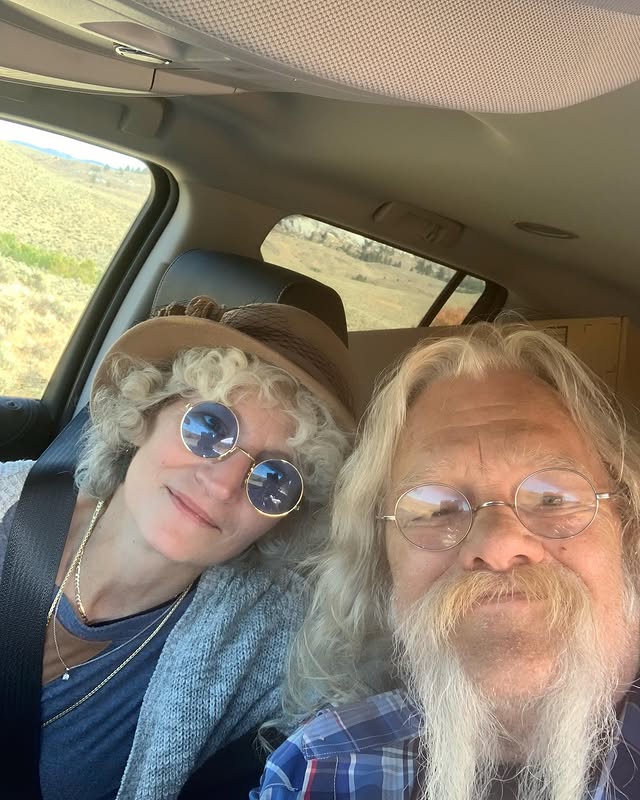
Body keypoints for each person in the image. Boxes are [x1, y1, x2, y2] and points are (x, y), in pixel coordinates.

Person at [254, 322, 640, 800]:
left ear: (628, 528)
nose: (498, 545)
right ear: (383, 565)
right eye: (435, 509)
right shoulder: (320, 770)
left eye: (552, 498)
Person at [0, 295, 354, 799]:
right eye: (210, 428)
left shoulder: (273, 650)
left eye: (275, 478)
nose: (224, 485)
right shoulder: (8, 501)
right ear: (146, 411)